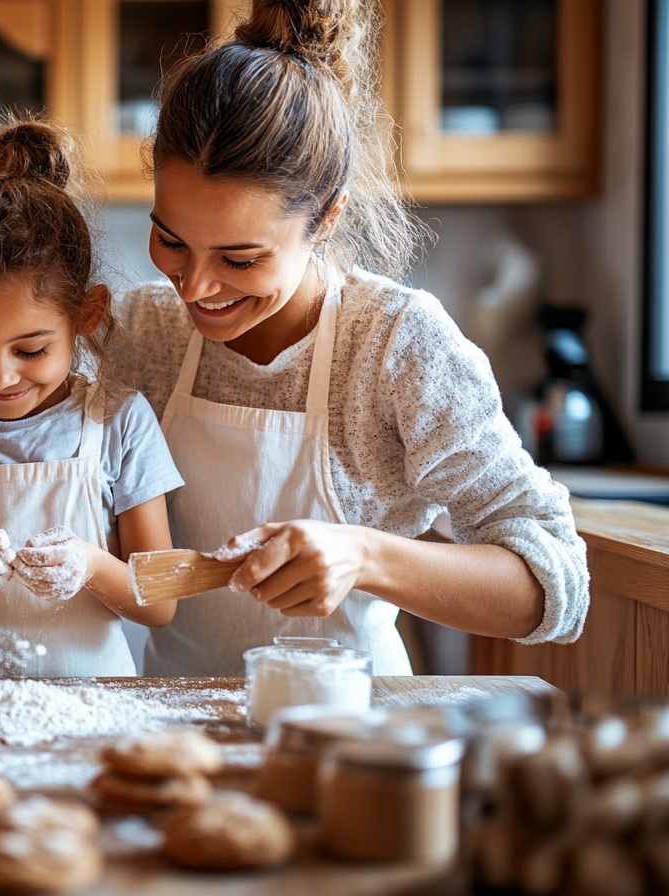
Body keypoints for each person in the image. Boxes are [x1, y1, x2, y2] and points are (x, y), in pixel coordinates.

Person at [119, 0, 590, 676]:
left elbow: (557, 586)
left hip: (352, 737)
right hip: (174, 730)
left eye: (241, 260)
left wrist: (363, 556)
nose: (193, 288)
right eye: (170, 240)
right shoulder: (142, 333)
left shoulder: (395, 346)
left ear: (326, 219)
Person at [0, 121, 184, 677]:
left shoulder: (122, 422)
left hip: (92, 705)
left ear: (86, 316)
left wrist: (90, 565)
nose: (1, 377)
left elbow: (161, 601)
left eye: (30, 349)